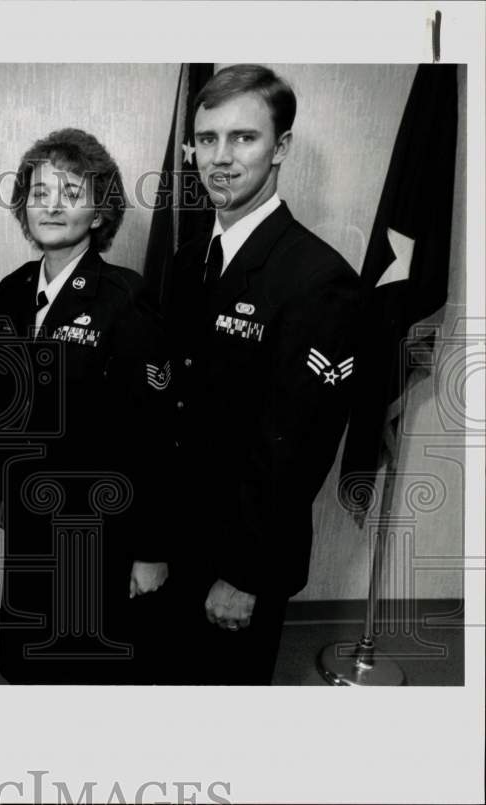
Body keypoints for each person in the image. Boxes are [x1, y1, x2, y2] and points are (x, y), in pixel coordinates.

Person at [162, 64, 362, 684]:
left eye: (243, 138)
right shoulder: (188, 261)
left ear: (281, 147)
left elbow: (298, 448)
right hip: (178, 536)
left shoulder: (319, 279)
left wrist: (244, 574)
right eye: (207, 139)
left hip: (241, 553)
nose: (221, 157)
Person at [0, 128, 174, 684]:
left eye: (71, 193)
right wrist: (4, 491)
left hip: (97, 527)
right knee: (27, 664)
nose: (51, 205)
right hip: (29, 518)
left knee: (85, 672)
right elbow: (5, 404)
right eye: (39, 192)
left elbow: (153, 432)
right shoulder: (11, 290)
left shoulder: (125, 296)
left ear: (99, 213)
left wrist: (151, 549)